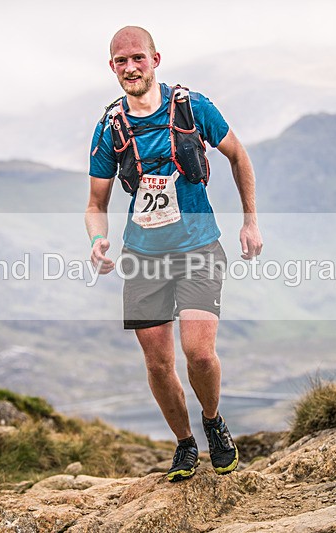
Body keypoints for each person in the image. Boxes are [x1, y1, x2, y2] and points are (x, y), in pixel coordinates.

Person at [85, 26, 263, 482]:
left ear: (155, 59)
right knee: (158, 363)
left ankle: (213, 421)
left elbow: (239, 156)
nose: (130, 67)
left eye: (137, 58)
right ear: (112, 67)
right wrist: (97, 240)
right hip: (143, 256)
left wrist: (250, 221)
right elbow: (96, 204)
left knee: (198, 353)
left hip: (199, 248)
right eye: (121, 61)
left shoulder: (192, 106)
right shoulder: (110, 128)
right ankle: (185, 444)